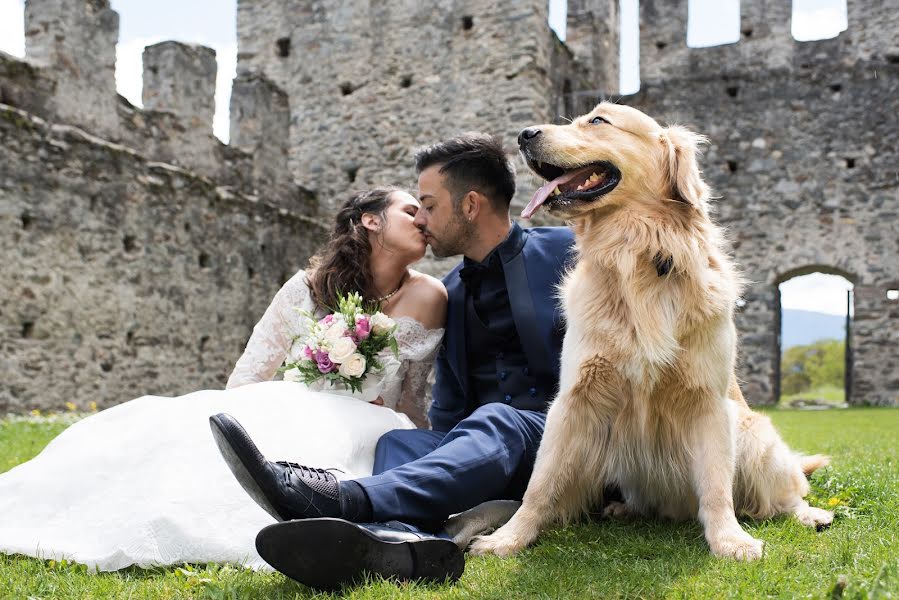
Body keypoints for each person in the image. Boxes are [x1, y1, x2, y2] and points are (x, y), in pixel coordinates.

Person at [0, 187, 447, 571]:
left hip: (370, 429)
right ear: (370, 220)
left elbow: (411, 397)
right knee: (172, 433)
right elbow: (251, 373)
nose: (423, 220)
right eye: (410, 210)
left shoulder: (429, 295)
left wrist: (421, 452)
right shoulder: (308, 287)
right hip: (292, 405)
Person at [211, 133, 577, 589]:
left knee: (498, 418)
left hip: (568, 438)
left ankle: (340, 501)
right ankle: (399, 540)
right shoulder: (452, 293)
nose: (422, 219)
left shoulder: (569, 252)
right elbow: (447, 401)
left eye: (428, 204)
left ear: (470, 206)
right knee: (396, 445)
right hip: (487, 450)